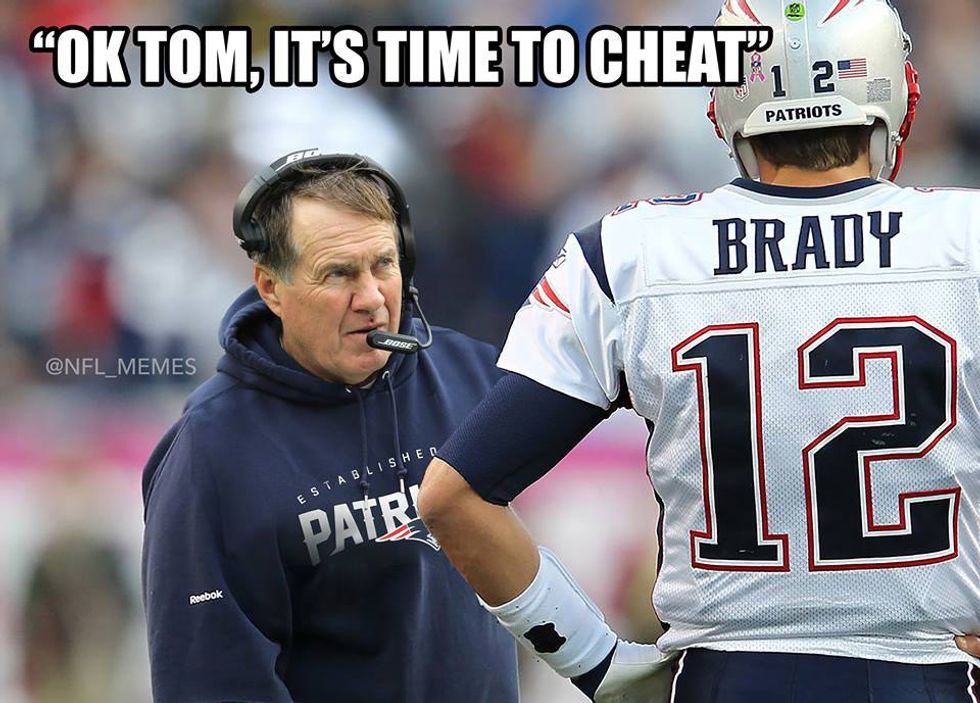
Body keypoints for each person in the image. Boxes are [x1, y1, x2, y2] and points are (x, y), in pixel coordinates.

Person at [418, 1, 980, 701]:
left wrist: (597, 662)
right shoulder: (965, 239)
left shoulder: (630, 254)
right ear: (893, 90)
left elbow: (454, 495)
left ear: (726, 104)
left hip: (725, 678)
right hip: (928, 677)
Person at [141, 150, 518, 702]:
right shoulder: (210, 452)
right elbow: (208, 684)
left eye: (383, 264)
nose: (371, 298)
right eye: (338, 273)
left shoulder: (473, 376)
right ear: (271, 288)